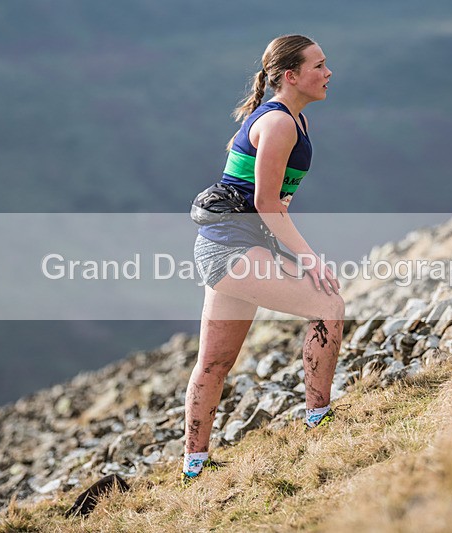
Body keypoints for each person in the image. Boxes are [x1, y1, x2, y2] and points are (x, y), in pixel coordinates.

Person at [183, 34, 343, 485]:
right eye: (319, 65)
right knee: (327, 306)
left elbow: (269, 206)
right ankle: (319, 421)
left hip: (234, 243)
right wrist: (310, 258)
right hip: (230, 247)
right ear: (291, 76)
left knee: (214, 362)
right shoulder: (278, 125)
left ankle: (193, 467)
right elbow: (268, 204)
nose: (328, 73)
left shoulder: (295, 120)